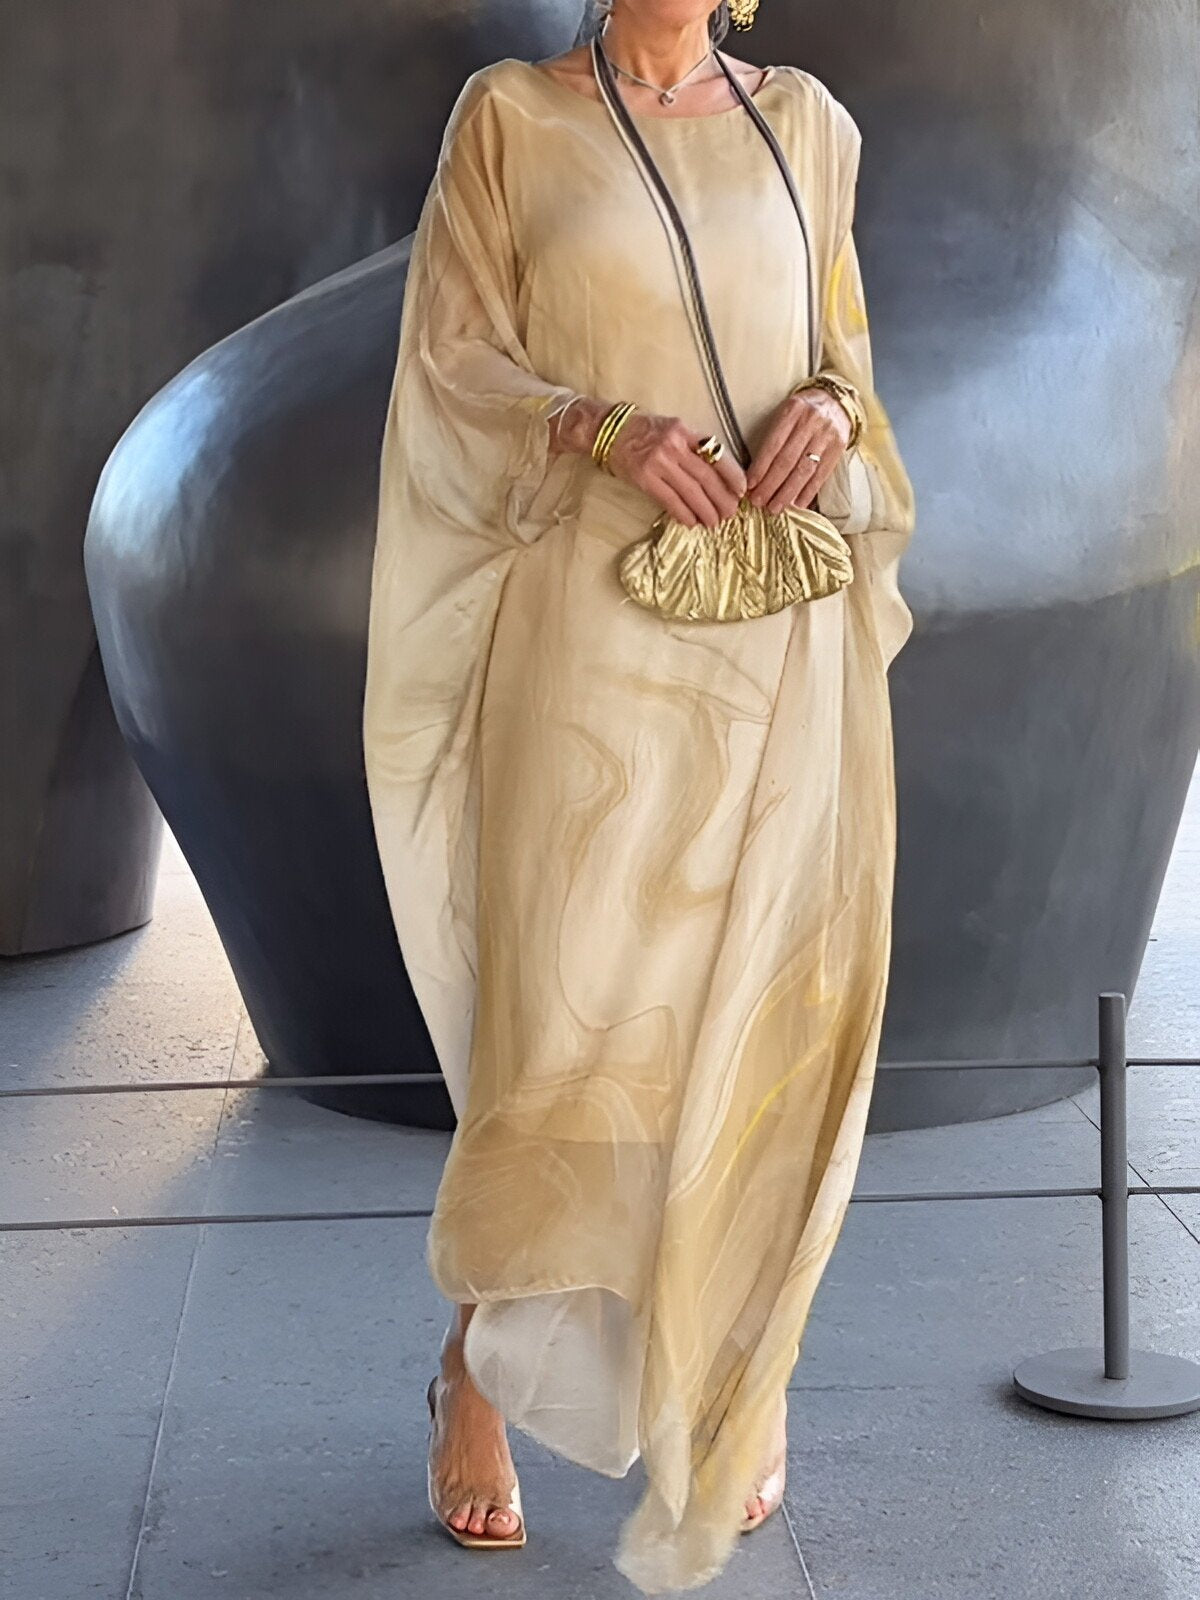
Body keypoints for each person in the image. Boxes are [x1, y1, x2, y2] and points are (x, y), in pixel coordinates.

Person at [362, 0, 915, 1591]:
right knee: (564, 1020)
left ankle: (740, 1362)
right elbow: (450, 362)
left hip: (775, 647)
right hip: (586, 643)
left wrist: (829, 408)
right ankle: (477, 1369)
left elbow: (845, 357)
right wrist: (596, 426)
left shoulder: (809, 124)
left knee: (764, 1002)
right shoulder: (510, 119)